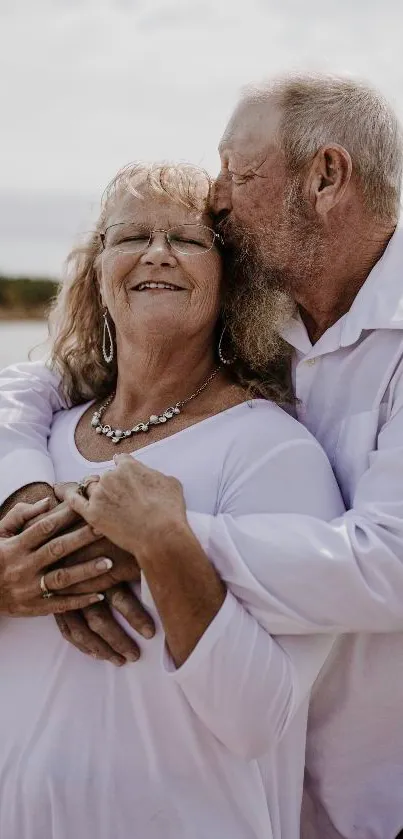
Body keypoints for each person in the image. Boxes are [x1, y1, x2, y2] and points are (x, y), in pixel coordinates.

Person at [2, 73, 403, 839]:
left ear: (325, 177)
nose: (217, 199)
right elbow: (23, 390)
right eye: (128, 237)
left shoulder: (270, 438)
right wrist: (21, 517)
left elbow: (388, 563)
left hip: (368, 799)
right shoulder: (289, 311)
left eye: (237, 173)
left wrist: (163, 538)